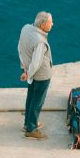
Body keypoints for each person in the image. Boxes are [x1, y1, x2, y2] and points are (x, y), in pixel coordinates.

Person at [17, 11, 53, 140]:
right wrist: (29, 73)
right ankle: (31, 129)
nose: (52, 24)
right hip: (42, 76)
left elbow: (20, 48)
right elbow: (37, 62)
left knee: (31, 98)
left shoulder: (25, 28)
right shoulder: (40, 42)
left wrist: (25, 70)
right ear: (42, 25)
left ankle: (27, 122)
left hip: (30, 72)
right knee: (37, 101)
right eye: (50, 22)